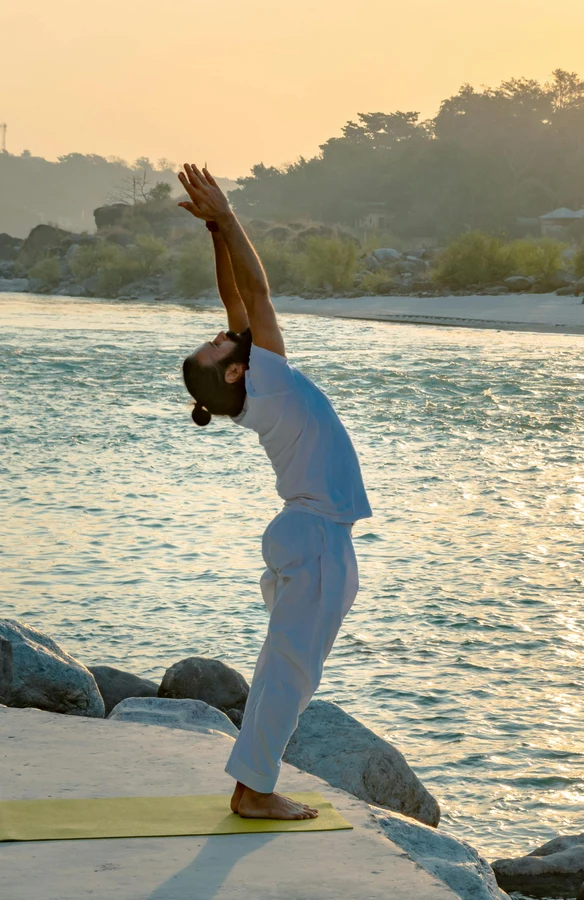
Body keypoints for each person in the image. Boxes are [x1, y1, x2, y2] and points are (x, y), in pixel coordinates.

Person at [176, 164, 372, 820]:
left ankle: (250, 783)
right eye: (216, 343)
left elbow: (236, 303)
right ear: (234, 368)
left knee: (281, 669)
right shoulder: (273, 383)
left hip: (306, 535)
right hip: (315, 539)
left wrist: (214, 234)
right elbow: (256, 296)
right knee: (289, 675)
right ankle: (255, 791)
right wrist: (229, 218)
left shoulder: (257, 387)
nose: (221, 330)